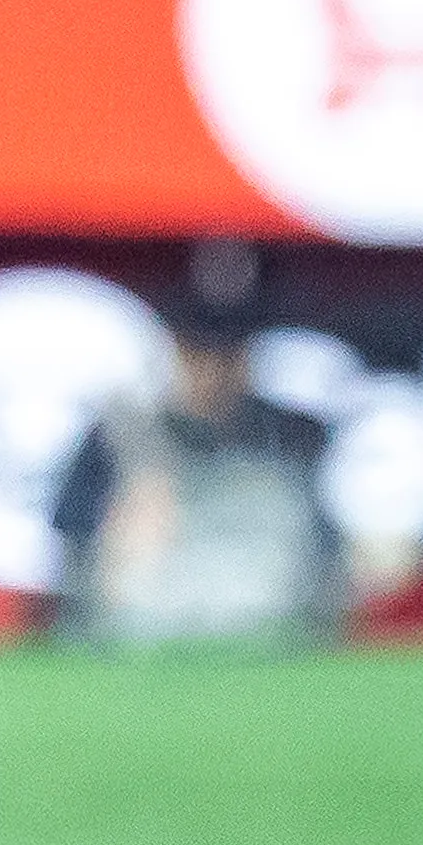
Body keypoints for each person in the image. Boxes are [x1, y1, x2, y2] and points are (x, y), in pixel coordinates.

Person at [46, 259, 352, 649]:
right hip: (142, 637)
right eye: (198, 352)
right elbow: (72, 555)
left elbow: (330, 560)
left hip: (267, 634)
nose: (212, 370)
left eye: (228, 352)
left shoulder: (294, 435)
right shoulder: (119, 433)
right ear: (174, 350)